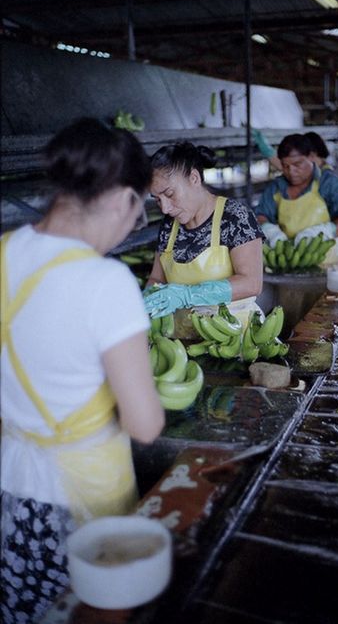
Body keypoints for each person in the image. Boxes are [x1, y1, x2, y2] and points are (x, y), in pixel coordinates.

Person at [0, 118, 165, 623]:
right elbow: (145, 424)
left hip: (11, 492)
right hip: (80, 500)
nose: (129, 229)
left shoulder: (5, 251)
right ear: (123, 200)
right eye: (138, 214)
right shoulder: (104, 281)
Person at [142, 141, 264, 336]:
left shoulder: (235, 217)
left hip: (235, 336)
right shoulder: (169, 225)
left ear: (194, 178)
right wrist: (149, 297)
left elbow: (251, 283)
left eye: (170, 194)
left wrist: (188, 295)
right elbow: (157, 278)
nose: (164, 208)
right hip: (184, 338)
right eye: (157, 199)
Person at [255, 133, 338, 264]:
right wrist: (270, 231)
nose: (291, 171)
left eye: (297, 164)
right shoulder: (276, 187)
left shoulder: (329, 184)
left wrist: (324, 231)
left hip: (328, 263)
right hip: (287, 261)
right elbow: (260, 216)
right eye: (285, 166)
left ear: (311, 157)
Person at [252, 129, 334, 173]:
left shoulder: (324, 175)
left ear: (313, 153)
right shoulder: (322, 168)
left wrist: (267, 150)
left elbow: (284, 167)